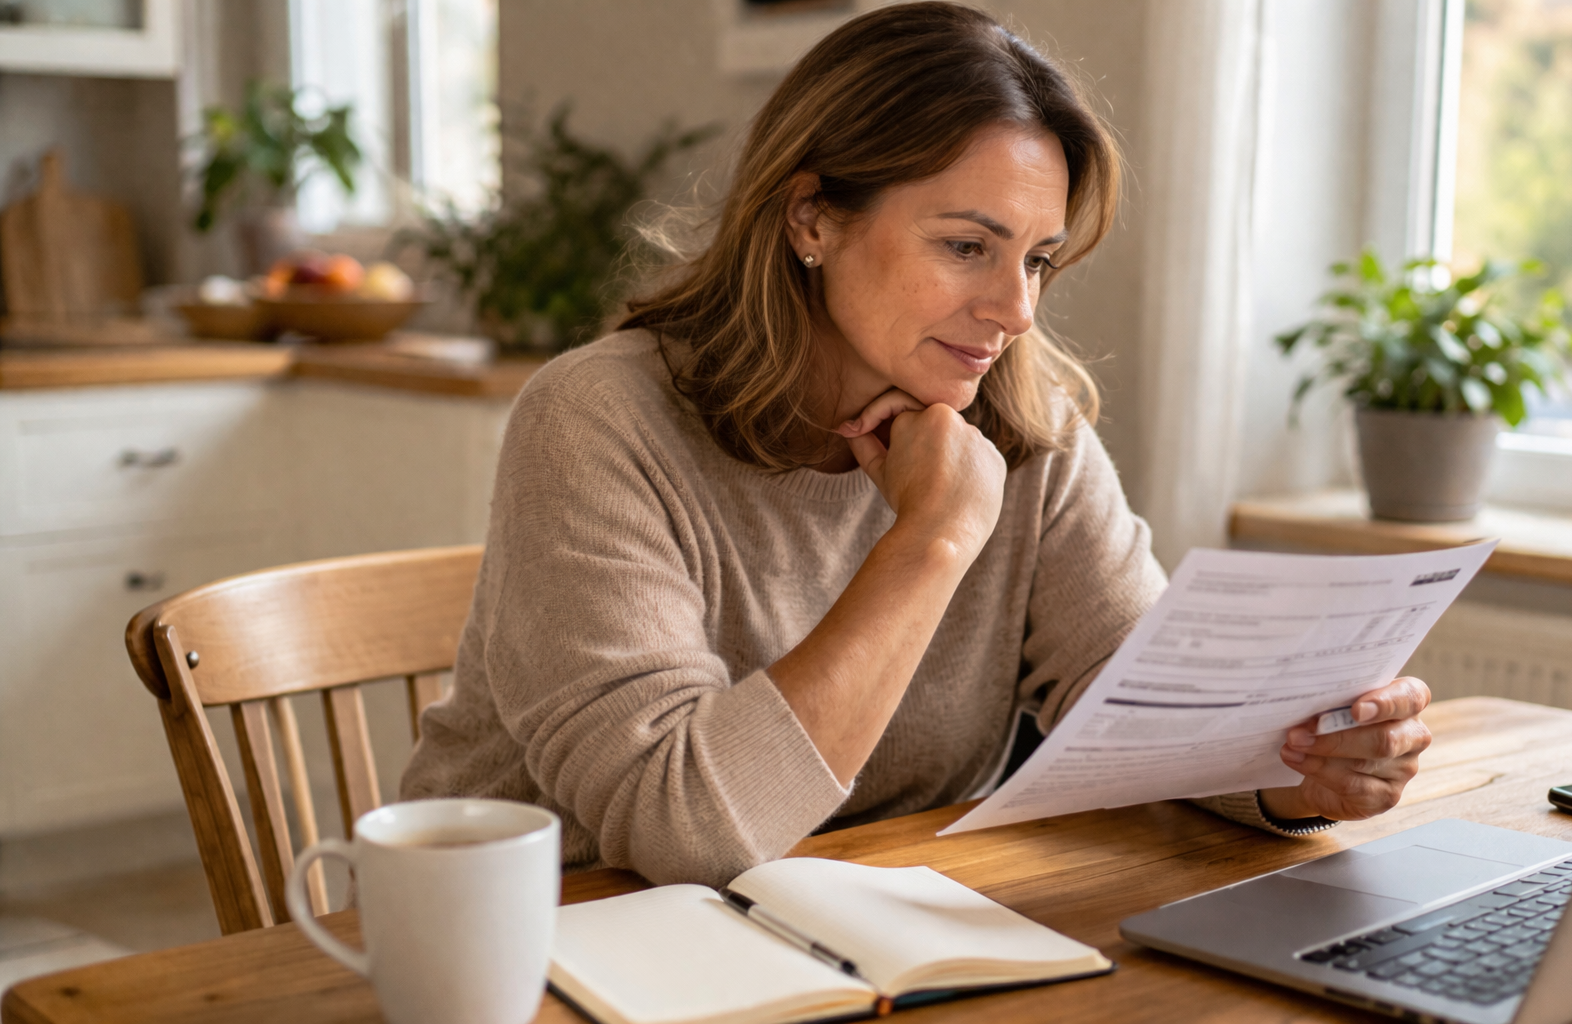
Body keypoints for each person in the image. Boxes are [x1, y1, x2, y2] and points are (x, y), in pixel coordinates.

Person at [401, 2, 1432, 886]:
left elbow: (1150, 726)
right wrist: (934, 536)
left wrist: (1297, 775)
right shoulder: (596, 419)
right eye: (965, 246)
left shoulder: (1026, 422)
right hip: (547, 951)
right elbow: (682, 826)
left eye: (1036, 258)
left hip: (862, 929)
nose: (1014, 309)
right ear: (810, 218)